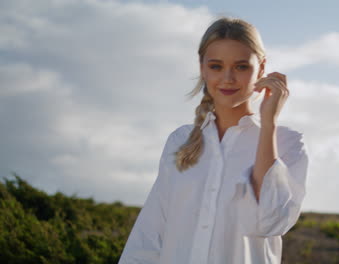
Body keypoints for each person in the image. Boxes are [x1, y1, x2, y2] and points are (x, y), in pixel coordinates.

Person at [118, 16, 309, 264]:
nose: (227, 78)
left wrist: (268, 123)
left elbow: (270, 222)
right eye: (216, 66)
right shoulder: (179, 140)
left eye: (241, 66)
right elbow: (150, 233)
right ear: (202, 67)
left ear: (261, 68)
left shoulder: (287, 143)